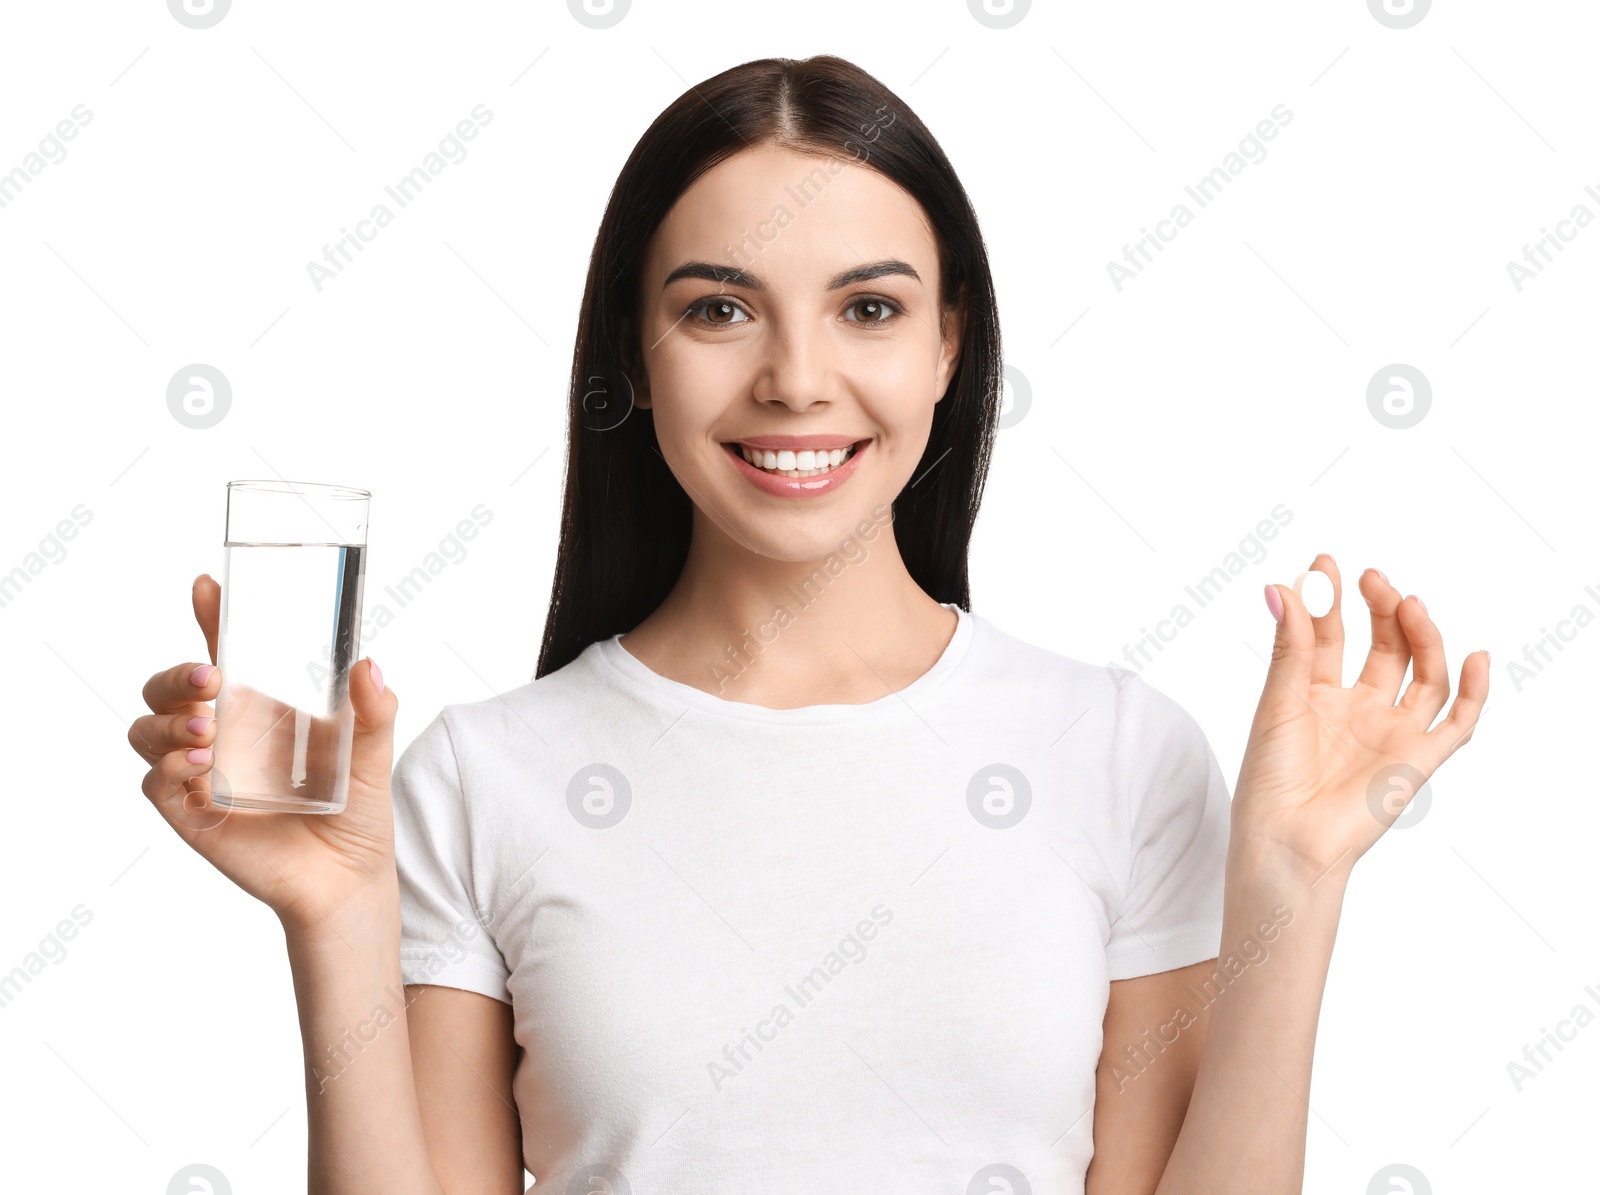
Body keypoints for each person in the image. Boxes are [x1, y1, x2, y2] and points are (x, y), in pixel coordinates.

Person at [128, 54, 1488, 1194]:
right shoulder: (482, 780)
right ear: (633, 354)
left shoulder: (1121, 753)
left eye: (870, 309)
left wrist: (1296, 893)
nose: (794, 378)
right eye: (719, 309)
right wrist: (335, 917)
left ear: (950, 347)